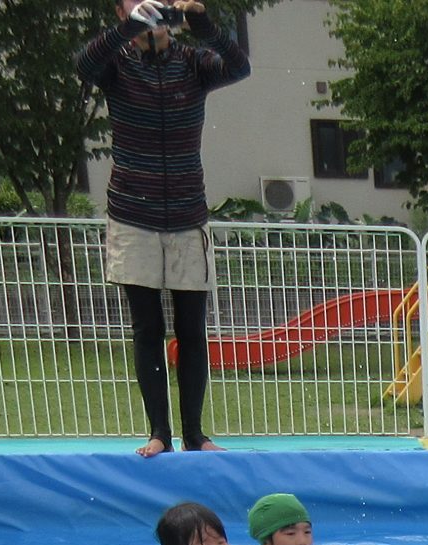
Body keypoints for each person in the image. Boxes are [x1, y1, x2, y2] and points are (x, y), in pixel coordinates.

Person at [75, 0, 251, 456]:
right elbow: (84, 63)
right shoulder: (116, 64)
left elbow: (239, 67)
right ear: (121, 13)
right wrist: (129, 29)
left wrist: (202, 23)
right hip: (132, 216)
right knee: (146, 328)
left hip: (188, 215)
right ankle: (160, 432)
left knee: (192, 329)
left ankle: (195, 433)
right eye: (135, 5)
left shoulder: (193, 63)